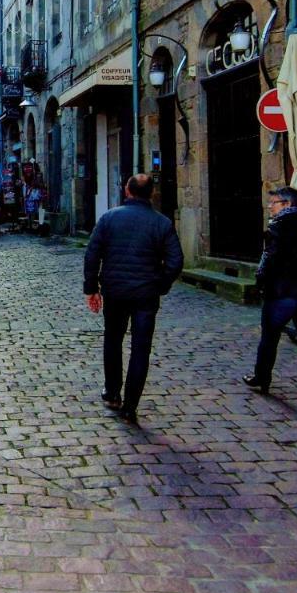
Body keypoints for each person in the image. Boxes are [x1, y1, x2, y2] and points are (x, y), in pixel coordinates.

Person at [83, 173, 184, 427]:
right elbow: (175, 261)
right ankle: (130, 406)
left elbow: (92, 254)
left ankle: (112, 391)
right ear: (151, 194)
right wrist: (159, 284)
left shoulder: (109, 218)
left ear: (127, 191)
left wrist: (91, 287)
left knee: (113, 340)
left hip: (115, 291)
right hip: (145, 294)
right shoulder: (161, 223)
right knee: (141, 348)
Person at [243, 186, 297, 412]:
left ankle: (262, 377)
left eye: (275, 203)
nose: (270, 207)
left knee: (269, 339)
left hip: (282, 294)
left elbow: (267, 262)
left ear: (288, 204)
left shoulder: (276, 229)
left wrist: (261, 283)